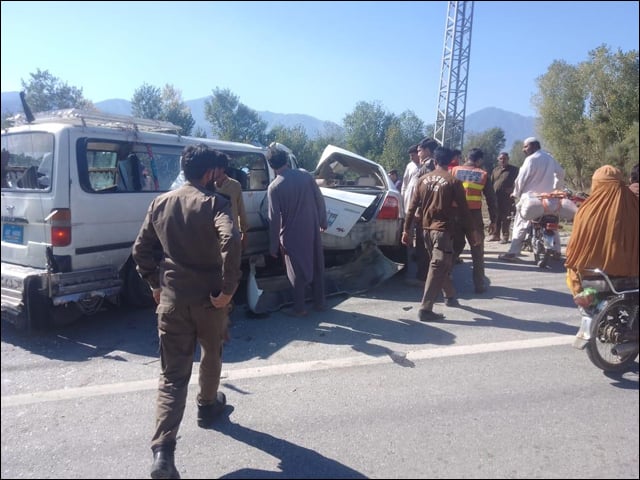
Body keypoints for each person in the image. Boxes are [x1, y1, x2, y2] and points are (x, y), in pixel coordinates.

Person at [132, 144, 242, 479]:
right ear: (210, 173)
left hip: (172, 301)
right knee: (212, 352)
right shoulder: (216, 204)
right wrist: (227, 289)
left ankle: (163, 454)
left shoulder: (160, 203)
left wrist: (154, 283)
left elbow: (141, 250)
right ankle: (207, 407)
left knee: (172, 376)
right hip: (210, 302)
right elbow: (232, 240)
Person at [401, 146, 477, 321]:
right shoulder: (453, 182)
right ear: (451, 162)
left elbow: (412, 208)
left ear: (435, 161)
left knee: (440, 264)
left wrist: (406, 230)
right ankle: (426, 309)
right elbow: (464, 211)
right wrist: (472, 233)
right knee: (438, 266)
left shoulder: (422, 180)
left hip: (425, 231)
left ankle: (450, 296)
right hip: (442, 231)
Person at [267, 143, 328, 317]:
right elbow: (319, 199)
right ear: (287, 160)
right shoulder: (305, 176)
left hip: (291, 234)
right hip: (312, 228)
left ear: (271, 165)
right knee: (317, 265)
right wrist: (323, 220)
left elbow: (274, 218)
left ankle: (299, 308)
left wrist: (272, 246)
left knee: (297, 270)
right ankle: (320, 303)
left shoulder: (274, 187)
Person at [564, 165, 638, 303]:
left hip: (591, 277)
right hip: (631, 278)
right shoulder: (634, 206)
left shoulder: (585, 211)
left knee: (571, 268)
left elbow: (573, 250)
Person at [499, 137, 565, 262]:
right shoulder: (550, 158)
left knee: (520, 223)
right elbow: (561, 173)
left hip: (530, 199)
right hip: (548, 199)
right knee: (552, 223)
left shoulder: (530, 160)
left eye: (525, 146)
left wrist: (516, 193)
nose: (523, 149)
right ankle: (557, 250)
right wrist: (556, 187)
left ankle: (513, 252)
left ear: (533, 146)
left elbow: (521, 179)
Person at [451, 148, 498, 294]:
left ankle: (444, 277)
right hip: (474, 217)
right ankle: (479, 284)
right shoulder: (483, 174)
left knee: (454, 247)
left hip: (455, 215)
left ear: (466, 157)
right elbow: (491, 199)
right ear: (479, 161)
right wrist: (494, 220)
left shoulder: (454, 171)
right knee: (477, 250)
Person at [211, 155, 249, 251]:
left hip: (231, 234)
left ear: (222, 169)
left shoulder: (235, 185)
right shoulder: (209, 186)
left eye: (213, 168)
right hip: (213, 237)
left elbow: (241, 210)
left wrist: (244, 233)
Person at [401, 143, 424, 286]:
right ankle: (408, 254)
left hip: (420, 204)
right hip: (409, 201)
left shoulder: (426, 166)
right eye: (410, 155)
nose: (412, 157)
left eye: (413, 154)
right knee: (407, 230)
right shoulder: (410, 166)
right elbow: (404, 185)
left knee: (420, 233)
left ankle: (418, 257)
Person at [490, 152, 519, 243]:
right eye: (501, 159)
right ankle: (495, 235)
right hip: (496, 197)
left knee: (506, 217)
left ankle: (505, 236)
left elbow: (520, 181)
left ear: (508, 159)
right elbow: (491, 182)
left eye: (505, 158)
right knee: (496, 216)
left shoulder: (514, 170)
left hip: (507, 198)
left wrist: (513, 189)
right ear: (498, 159)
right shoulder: (495, 170)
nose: (503, 160)